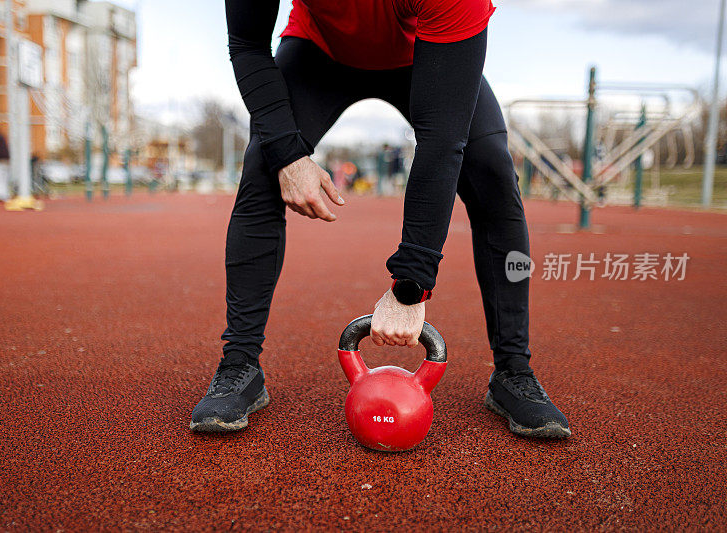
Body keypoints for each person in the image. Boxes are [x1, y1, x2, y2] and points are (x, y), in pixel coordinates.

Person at [190, 0, 571, 438]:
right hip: (319, 51)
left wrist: (411, 286)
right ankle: (239, 363)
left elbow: (442, 142)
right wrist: (289, 156)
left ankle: (513, 370)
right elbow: (246, 44)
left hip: (425, 53)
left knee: (493, 175)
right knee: (264, 165)